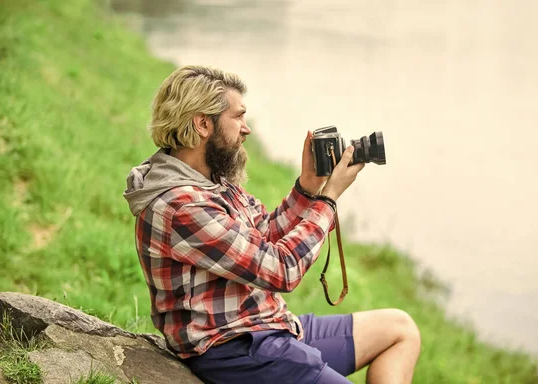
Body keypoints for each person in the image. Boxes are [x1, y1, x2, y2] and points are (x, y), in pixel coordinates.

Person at [123, 65, 420, 384]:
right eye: (238, 117)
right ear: (203, 123)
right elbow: (281, 270)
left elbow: (263, 235)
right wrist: (329, 199)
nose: (246, 128)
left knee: (400, 330)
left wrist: (308, 187)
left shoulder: (211, 182)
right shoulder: (180, 204)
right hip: (236, 350)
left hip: (267, 326)